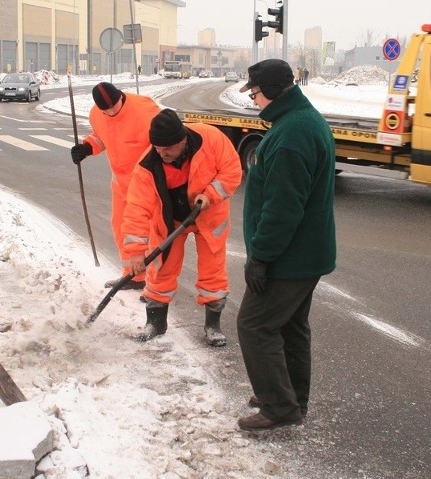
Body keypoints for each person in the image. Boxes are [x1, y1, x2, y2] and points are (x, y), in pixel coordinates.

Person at [235, 59, 336, 431]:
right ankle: (290, 397)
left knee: (254, 326)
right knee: (290, 327)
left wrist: (260, 256)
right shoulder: (299, 121)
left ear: (275, 92)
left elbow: (283, 209)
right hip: (305, 253)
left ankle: (279, 406)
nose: (254, 100)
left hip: (289, 258)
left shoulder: (291, 136)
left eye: (257, 93)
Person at [121, 109, 242, 346]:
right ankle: (156, 323)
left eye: (167, 148)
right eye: (157, 148)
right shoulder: (148, 164)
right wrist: (135, 251)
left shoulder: (211, 139)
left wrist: (210, 195)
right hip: (170, 220)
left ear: (183, 139)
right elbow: (136, 207)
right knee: (161, 267)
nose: (161, 153)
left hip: (208, 216)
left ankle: (212, 325)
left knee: (213, 270)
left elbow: (232, 170)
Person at [71, 82, 162, 290]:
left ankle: (157, 284)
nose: (111, 113)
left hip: (148, 183)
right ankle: (133, 276)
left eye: (114, 107)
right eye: (106, 110)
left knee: (150, 233)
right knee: (121, 227)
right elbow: (102, 138)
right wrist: (86, 147)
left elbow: (164, 141)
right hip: (120, 182)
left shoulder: (144, 110)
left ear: (121, 96)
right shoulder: (97, 114)